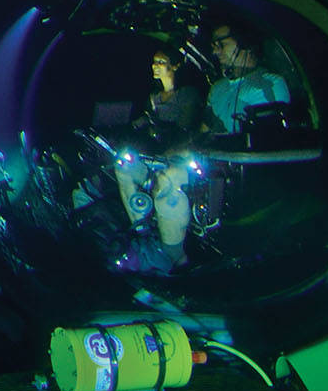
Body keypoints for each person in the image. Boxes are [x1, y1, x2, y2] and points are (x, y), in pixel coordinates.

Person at [113, 45, 204, 271]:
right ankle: (141, 227)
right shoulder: (153, 97)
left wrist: (168, 149)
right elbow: (144, 121)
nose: (155, 66)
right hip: (153, 157)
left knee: (166, 183)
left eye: (161, 62)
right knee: (123, 168)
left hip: (176, 159)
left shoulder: (188, 94)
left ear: (175, 66)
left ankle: (173, 254)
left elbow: (185, 128)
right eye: (154, 62)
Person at [201, 20, 290, 134]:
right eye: (214, 46)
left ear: (244, 43)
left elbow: (267, 137)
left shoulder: (269, 85)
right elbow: (204, 131)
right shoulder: (217, 87)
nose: (215, 52)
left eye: (221, 44)